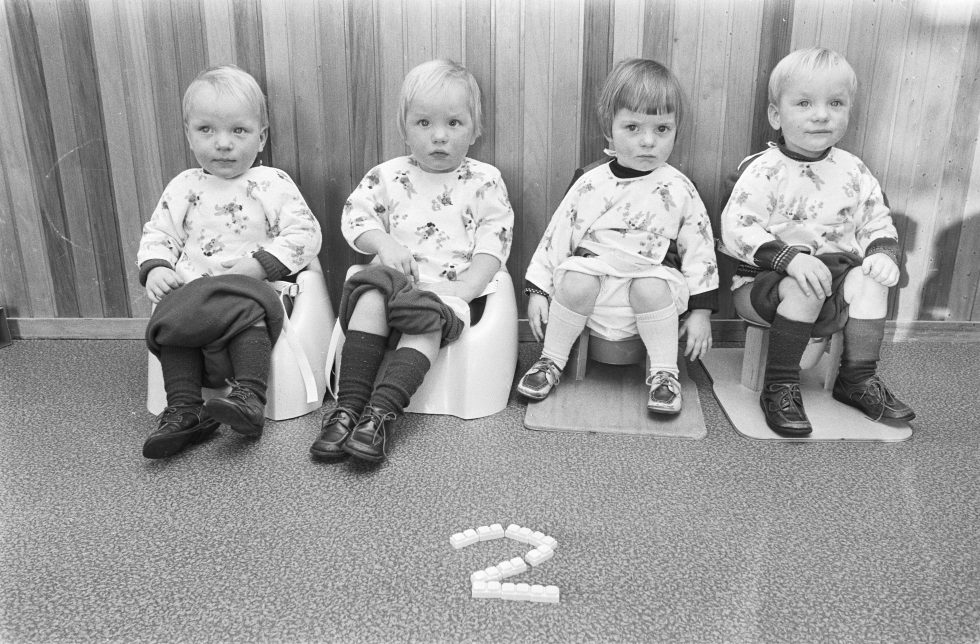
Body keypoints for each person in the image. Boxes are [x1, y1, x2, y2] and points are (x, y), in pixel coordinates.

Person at [310, 59, 513, 463]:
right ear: (404, 129)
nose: (439, 136)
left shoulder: (484, 180)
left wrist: (468, 287)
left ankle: (380, 414)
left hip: (445, 294)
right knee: (369, 298)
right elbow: (355, 217)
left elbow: (495, 238)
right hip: (393, 283)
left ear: (475, 129)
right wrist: (383, 243)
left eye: (453, 123)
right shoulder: (387, 176)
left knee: (425, 322)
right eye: (423, 123)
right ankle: (347, 409)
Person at [720, 47, 915, 436]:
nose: (822, 114)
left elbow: (877, 220)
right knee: (804, 285)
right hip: (766, 283)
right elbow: (737, 227)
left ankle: (857, 378)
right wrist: (790, 259)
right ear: (776, 115)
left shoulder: (853, 170)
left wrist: (882, 254)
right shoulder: (764, 170)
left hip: (836, 280)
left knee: (872, 279)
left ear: (848, 111)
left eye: (835, 103)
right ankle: (780, 385)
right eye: (804, 103)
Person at [138, 65, 322, 458]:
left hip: (251, 291)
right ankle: (184, 409)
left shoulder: (271, 183)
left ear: (261, 137)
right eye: (206, 130)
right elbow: (159, 234)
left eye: (238, 131)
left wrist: (261, 265)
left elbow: (306, 234)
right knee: (171, 324)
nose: (223, 144)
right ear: (189, 134)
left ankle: (249, 399)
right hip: (194, 294)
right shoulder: (184, 186)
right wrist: (157, 266)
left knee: (247, 314)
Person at [516, 58, 718, 414]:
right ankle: (550, 360)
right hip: (594, 294)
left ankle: (664, 374)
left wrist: (701, 312)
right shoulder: (591, 182)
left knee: (650, 285)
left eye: (662, 129)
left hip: (652, 291)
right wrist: (538, 291)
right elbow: (557, 235)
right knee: (576, 278)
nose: (648, 141)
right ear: (609, 129)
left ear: (676, 130)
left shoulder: (680, 188)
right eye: (632, 127)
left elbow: (699, 249)